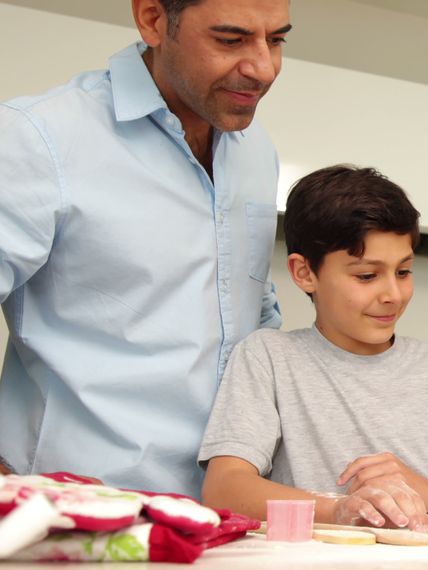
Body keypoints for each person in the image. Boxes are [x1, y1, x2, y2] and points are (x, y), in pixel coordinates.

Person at [0, 0, 292, 497]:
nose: (262, 67)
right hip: (76, 517)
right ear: (153, 20)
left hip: (223, 516)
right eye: (230, 40)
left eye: (277, 39)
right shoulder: (39, 136)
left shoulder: (256, 152)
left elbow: (255, 322)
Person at [198, 165, 428, 531]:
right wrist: (340, 510)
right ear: (304, 273)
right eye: (367, 276)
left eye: (403, 271)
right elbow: (224, 488)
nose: (392, 295)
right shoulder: (269, 358)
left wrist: (427, 491)